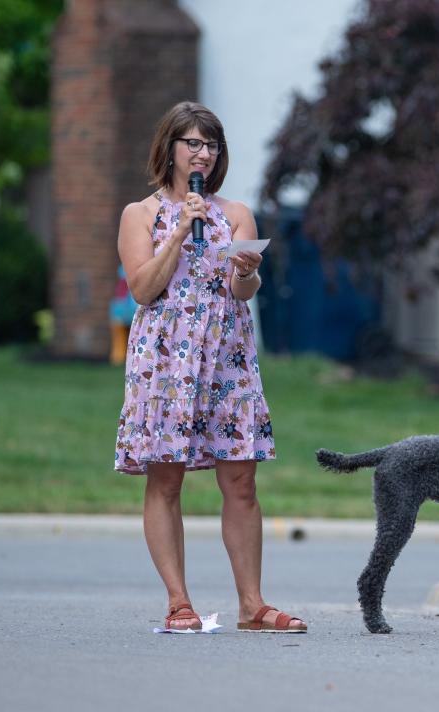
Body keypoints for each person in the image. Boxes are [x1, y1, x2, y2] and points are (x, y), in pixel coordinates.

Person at [114, 101, 306, 633]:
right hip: (165, 359)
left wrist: (246, 271)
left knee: (241, 478)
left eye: (212, 145)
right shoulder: (140, 214)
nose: (203, 153)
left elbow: (242, 292)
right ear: (170, 149)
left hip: (226, 355)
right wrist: (179, 231)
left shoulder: (237, 213)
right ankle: (179, 602)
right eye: (193, 143)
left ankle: (253, 605)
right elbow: (145, 290)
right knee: (167, 478)